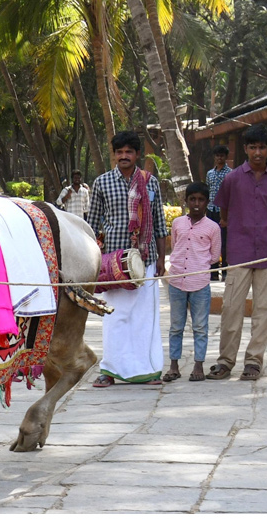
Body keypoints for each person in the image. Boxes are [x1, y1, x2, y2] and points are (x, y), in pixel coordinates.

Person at [86, 131, 169, 385]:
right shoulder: (102, 183)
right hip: (114, 263)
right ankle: (109, 371)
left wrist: (162, 261)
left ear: (136, 155)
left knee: (145, 318)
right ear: (114, 154)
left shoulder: (150, 182)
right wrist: (91, 263)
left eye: (129, 152)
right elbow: (91, 225)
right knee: (115, 317)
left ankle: (149, 370)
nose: (124, 156)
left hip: (146, 260)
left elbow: (159, 224)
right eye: (119, 152)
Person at [208, 123, 267, 381]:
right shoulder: (231, 179)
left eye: (262, 147)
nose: (257, 152)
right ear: (245, 149)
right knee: (231, 308)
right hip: (239, 252)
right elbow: (224, 214)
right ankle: (225, 361)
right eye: (252, 147)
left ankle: (254, 362)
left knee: (264, 309)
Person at [164, 182, 221, 383]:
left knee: (200, 326)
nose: (196, 203)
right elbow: (174, 245)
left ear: (206, 202)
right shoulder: (178, 223)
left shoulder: (213, 228)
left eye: (201, 200)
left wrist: (198, 264)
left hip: (200, 283)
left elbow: (214, 257)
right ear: (186, 201)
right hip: (177, 279)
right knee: (176, 326)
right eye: (192, 199)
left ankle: (198, 365)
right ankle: (174, 366)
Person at [205, 145, 233, 281]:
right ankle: (213, 272)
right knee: (211, 242)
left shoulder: (230, 174)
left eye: (222, 155)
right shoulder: (210, 173)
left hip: (224, 212)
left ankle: (226, 271)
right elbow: (208, 191)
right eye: (217, 155)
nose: (219, 158)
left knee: (224, 242)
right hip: (211, 210)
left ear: (226, 157)